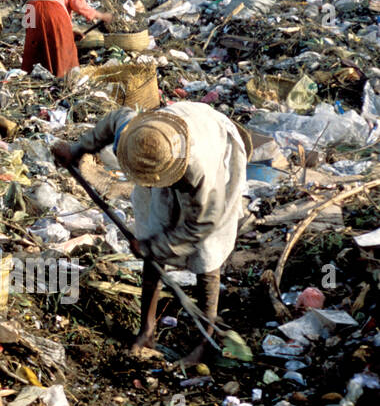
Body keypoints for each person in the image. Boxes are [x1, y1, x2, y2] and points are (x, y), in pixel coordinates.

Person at [53, 103, 247, 364]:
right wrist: (76, 150)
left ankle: (205, 340)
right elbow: (113, 121)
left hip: (214, 144)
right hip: (162, 151)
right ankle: (146, 331)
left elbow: (202, 226)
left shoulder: (202, 174)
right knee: (152, 229)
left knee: (207, 253)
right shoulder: (137, 135)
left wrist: (156, 246)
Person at [21, 0, 112, 77]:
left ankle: (29, 72)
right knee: (64, 45)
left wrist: (71, 33)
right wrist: (101, 15)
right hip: (51, 6)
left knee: (34, 40)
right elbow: (79, 5)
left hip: (30, 7)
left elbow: (50, 28)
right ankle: (66, 75)